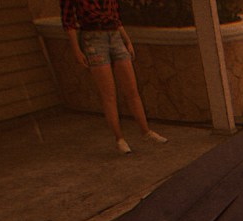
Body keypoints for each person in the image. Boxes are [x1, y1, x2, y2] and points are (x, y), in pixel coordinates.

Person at [60, 0, 168, 154]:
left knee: (132, 90)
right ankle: (119, 138)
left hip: (114, 35)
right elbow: (68, 22)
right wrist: (76, 50)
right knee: (108, 94)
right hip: (93, 38)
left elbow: (115, 18)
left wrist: (127, 40)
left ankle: (146, 131)